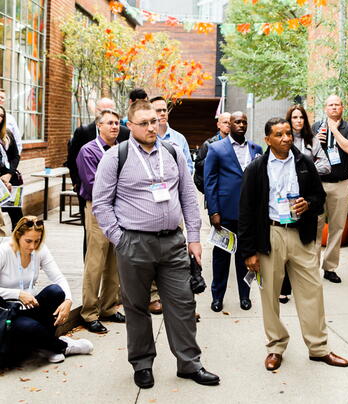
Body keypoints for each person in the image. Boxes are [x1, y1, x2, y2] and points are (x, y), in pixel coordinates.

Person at [92, 99, 219, 389]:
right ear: (130, 126)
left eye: (155, 120)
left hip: (173, 242)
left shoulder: (173, 152)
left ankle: (189, 363)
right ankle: (142, 363)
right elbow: (100, 204)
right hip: (134, 242)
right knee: (136, 306)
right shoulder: (116, 157)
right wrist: (120, 239)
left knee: (183, 304)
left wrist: (195, 239)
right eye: (145, 123)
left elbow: (188, 197)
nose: (152, 127)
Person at [237, 117, 348, 371]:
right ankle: (276, 346)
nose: (286, 138)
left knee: (312, 292)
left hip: (301, 235)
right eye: (279, 134)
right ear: (267, 140)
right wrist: (249, 252)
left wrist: (307, 203)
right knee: (270, 295)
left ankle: (318, 348)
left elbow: (319, 198)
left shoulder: (304, 163)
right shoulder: (256, 169)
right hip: (270, 235)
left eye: (288, 133)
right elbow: (245, 211)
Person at [0, 216, 93, 364]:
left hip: (30, 306)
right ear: (18, 236)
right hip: (7, 312)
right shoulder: (4, 251)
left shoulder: (40, 250)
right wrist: (17, 294)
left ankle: (47, 346)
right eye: (28, 241)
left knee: (56, 291)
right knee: (31, 327)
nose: (32, 246)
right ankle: (62, 346)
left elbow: (59, 278)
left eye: (36, 241)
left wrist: (69, 300)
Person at [204, 111, 262, 312]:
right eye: (237, 121)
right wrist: (214, 211)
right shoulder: (216, 148)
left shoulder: (256, 148)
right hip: (225, 213)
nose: (241, 125)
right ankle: (217, 297)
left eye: (244, 122)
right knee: (221, 258)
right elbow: (210, 182)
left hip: (249, 215)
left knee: (245, 257)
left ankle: (244, 296)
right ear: (229, 124)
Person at [76, 109, 125, 334]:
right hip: (97, 210)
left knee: (115, 261)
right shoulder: (88, 151)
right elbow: (95, 185)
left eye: (117, 123)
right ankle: (89, 312)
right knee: (95, 262)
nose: (115, 126)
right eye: (110, 123)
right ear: (99, 126)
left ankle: (107, 307)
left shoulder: (122, 150)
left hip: (120, 211)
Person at [66, 98, 131, 260]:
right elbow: (72, 160)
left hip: (120, 204)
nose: (114, 126)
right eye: (103, 111)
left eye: (111, 111)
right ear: (97, 117)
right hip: (92, 197)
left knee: (115, 253)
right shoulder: (84, 133)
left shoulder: (124, 134)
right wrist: (77, 184)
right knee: (93, 243)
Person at [279, 105, 330, 304]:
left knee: (306, 242)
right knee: (285, 241)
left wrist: (306, 171)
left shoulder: (312, 140)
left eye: (301, 117)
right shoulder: (284, 138)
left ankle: (303, 285)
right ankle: (284, 287)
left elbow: (326, 165)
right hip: (286, 198)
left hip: (307, 197)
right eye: (294, 117)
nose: (298, 121)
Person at [311, 95, 348, 284]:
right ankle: (312, 268)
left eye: (337, 105)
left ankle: (330, 268)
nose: (333, 108)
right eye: (330, 105)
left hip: (340, 184)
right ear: (325, 108)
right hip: (318, 184)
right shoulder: (315, 127)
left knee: (338, 228)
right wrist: (315, 139)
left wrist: (334, 131)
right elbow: (305, 152)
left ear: (342, 107)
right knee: (315, 226)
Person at [150, 96, 194, 175]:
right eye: (158, 111)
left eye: (164, 110)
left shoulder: (180, 138)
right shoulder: (145, 138)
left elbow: (189, 167)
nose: (163, 113)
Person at [194, 112, 231, 193]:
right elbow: (198, 165)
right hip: (213, 190)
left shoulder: (236, 145)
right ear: (218, 125)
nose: (228, 125)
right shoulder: (209, 144)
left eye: (230, 123)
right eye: (225, 122)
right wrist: (212, 159)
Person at [0, 105, 23, 229]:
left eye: (2, 116)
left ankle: (18, 246)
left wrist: (9, 175)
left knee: (17, 218)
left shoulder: (7, 134)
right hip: (1, 181)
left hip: (11, 178)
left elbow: (15, 156)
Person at [0, 89, 22, 153]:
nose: (0, 99)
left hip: (6, 158)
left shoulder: (10, 118)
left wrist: (16, 158)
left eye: (2, 98)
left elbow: (17, 140)